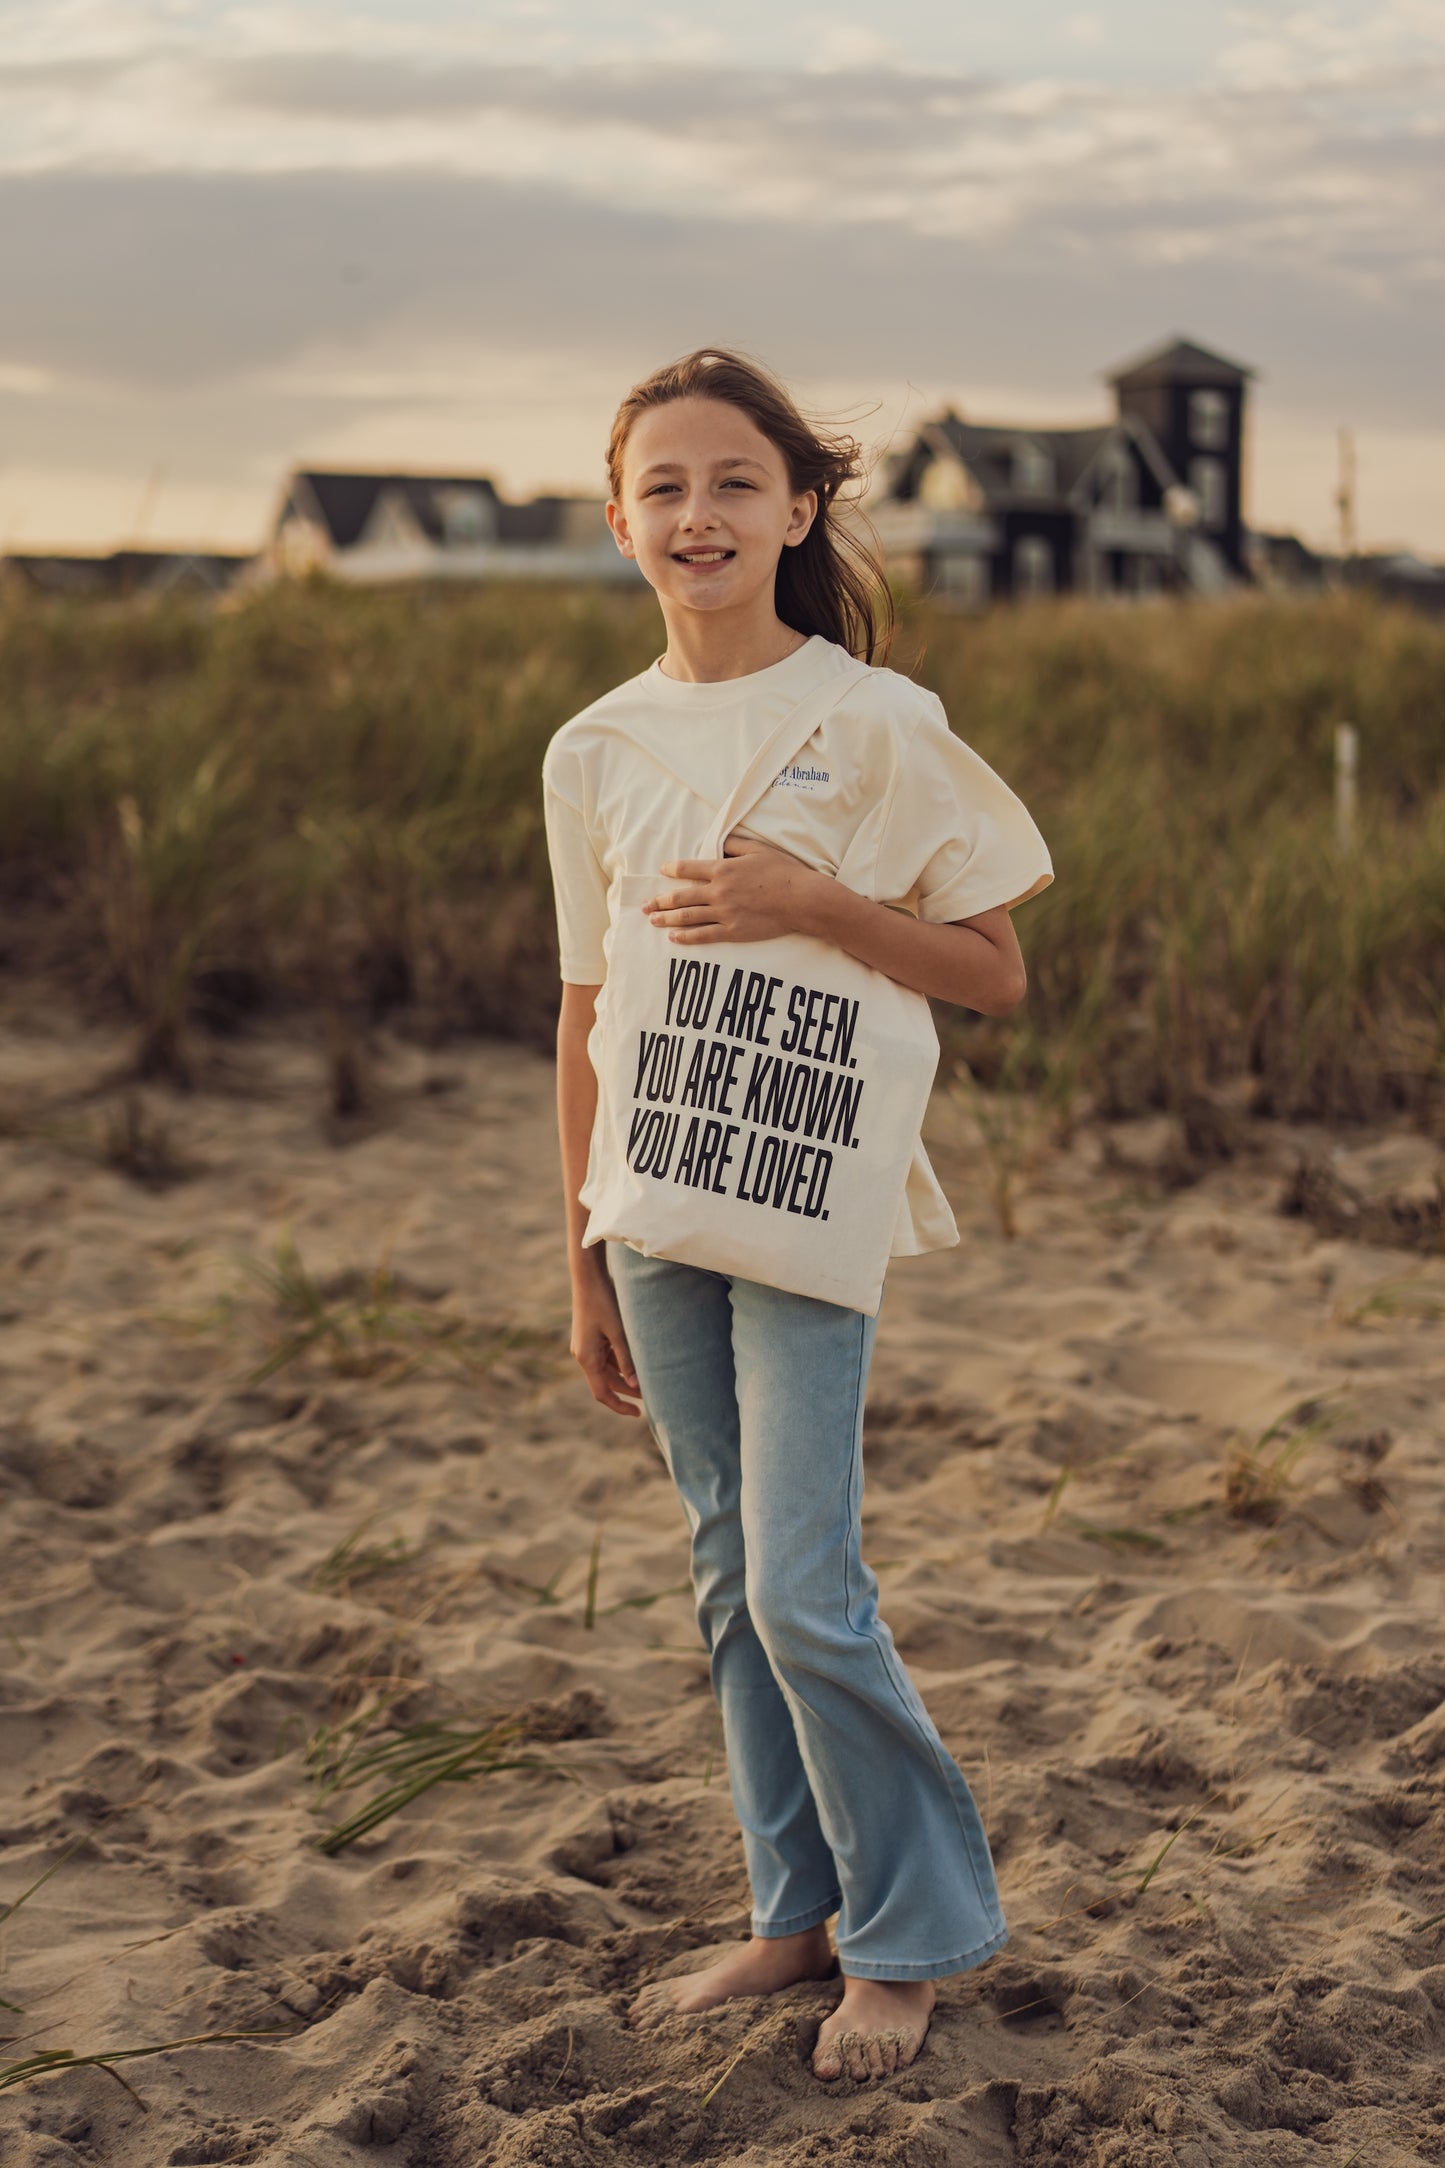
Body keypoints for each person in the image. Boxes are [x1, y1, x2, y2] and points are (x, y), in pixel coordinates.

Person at [542, 349, 1052, 2084]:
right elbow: (582, 1006)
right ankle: (794, 1912)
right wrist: (580, 1245)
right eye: (664, 487)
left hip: (804, 1193)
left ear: (799, 509)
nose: (699, 515)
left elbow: (993, 975)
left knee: (806, 1586)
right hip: (650, 1200)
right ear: (619, 520)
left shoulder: (875, 723)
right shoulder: (594, 747)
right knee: (720, 1569)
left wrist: (808, 901)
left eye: (735, 483)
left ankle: (908, 1938)